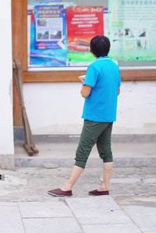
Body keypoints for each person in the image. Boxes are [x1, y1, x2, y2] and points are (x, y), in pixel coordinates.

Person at [48, 35, 121, 197]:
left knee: (82, 151)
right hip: (109, 116)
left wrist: (84, 83)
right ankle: (104, 186)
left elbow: (85, 93)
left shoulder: (94, 67)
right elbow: (117, 91)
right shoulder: (114, 66)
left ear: (92, 50)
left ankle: (67, 187)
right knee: (106, 151)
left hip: (94, 116)